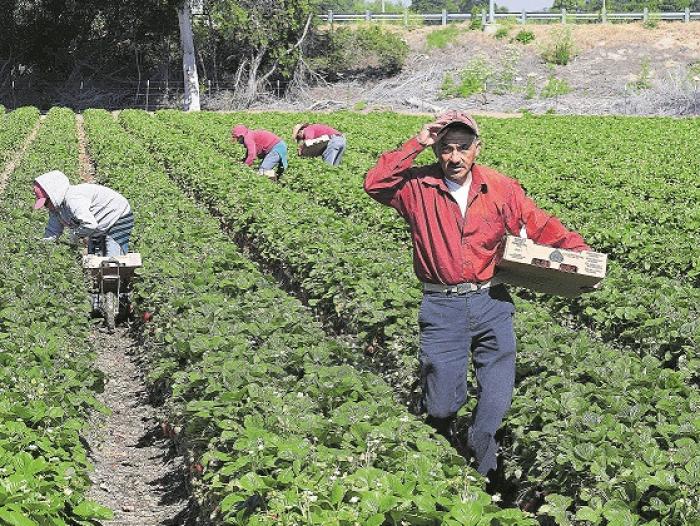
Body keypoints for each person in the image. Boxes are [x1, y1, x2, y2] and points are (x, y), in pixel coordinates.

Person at [363, 110, 590, 479]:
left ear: (476, 149)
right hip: (442, 305)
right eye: (446, 148)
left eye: (463, 148)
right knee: (440, 403)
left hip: (491, 302)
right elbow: (374, 184)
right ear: (436, 150)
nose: (455, 157)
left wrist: (580, 255)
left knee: (496, 395)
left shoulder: (500, 187)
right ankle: (440, 440)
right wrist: (415, 142)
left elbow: (540, 224)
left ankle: (483, 463)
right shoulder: (417, 187)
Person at [33, 170, 134, 257]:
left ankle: (120, 276)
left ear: (54, 195)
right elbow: (52, 232)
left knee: (112, 260)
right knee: (94, 260)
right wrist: (43, 249)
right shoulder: (56, 209)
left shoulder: (73, 199)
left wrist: (76, 234)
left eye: (46, 202)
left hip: (117, 215)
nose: (46, 207)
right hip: (98, 224)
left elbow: (90, 225)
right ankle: (100, 277)